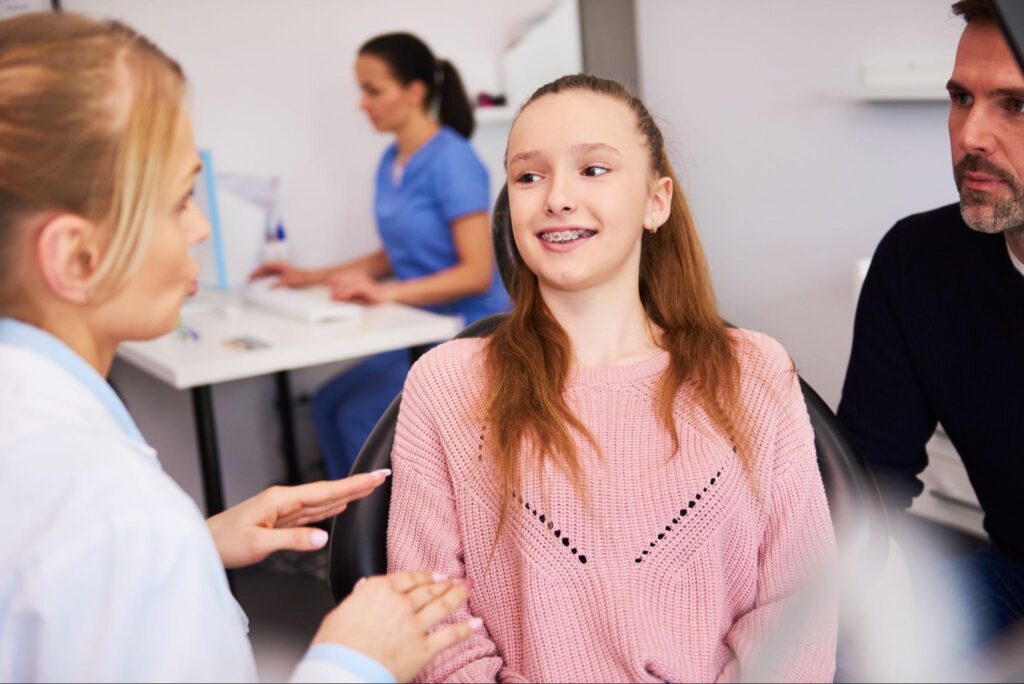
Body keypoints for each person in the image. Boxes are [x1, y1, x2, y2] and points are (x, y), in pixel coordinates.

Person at [0, 12, 480, 682]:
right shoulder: (114, 517)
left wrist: (194, 543)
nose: (200, 229)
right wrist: (356, 661)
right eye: (180, 201)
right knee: (343, 403)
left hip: (445, 324)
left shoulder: (51, 456)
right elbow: (96, 549)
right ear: (77, 257)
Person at [385, 74, 838, 682]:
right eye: (529, 175)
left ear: (658, 201)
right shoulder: (447, 383)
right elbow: (431, 624)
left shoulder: (756, 371)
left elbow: (800, 610)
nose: (556, 198)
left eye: (593, 170)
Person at [837, 0, 1024, 652]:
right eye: (959, 97)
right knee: (834, 639)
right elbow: (869, 487)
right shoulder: (918, 262)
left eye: (1014, 105)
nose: (971, 133)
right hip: (1014, 577)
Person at [251, 33, 509, 480]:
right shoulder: (392, 160)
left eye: (373, 90)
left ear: (414, 91)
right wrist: (307, 275)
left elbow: (476, 272)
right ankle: (340, 539)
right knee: (328, 403)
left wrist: (384, 293)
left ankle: (376, 544)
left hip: (467, 332)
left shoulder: (453, 160)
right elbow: (393, 253)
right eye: (361, 90)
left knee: (355, 414)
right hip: (418, 325)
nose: (362, 104)